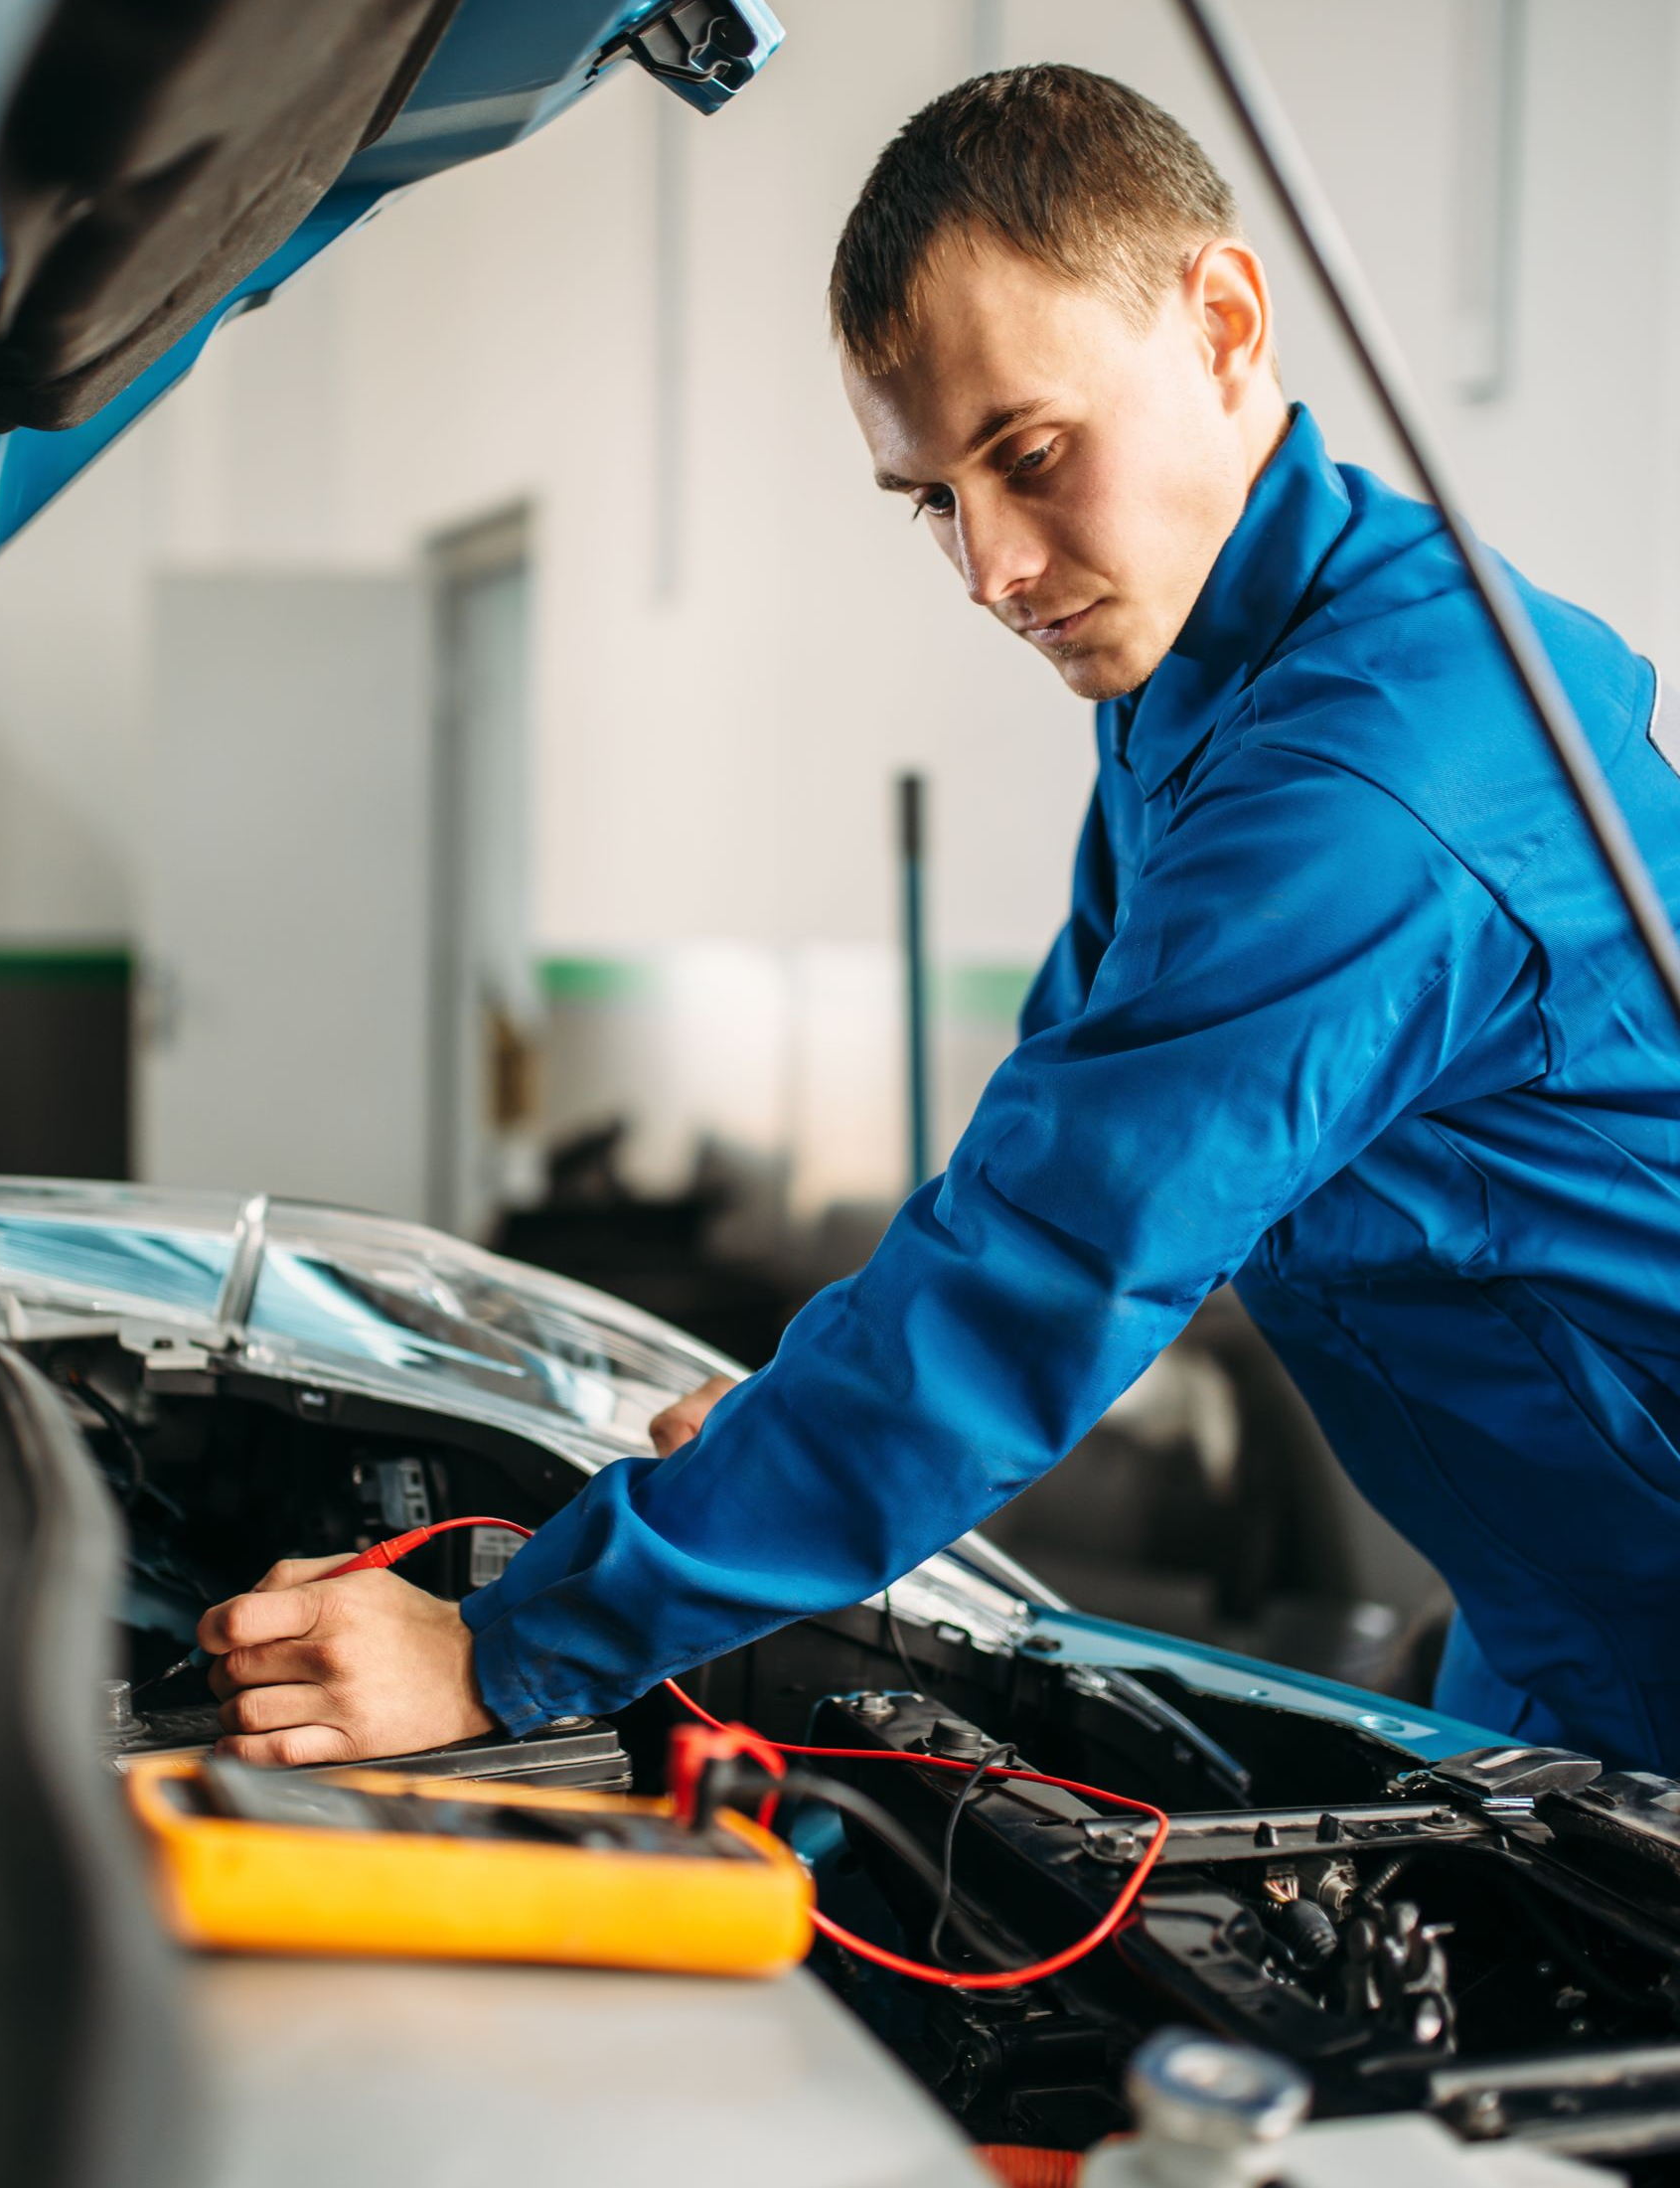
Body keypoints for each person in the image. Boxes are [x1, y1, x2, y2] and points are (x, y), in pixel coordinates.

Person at [198, 67, 1680, 1775]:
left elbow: (1051, 1260)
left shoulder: (1372, 775)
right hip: (1552, 1604)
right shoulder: (1210, 681)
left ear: (1223, 321)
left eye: (1029, 456)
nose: (989, 568)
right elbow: (1053, 1115)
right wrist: (791, 1419)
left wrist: (506, 1649)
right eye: (931, 499)